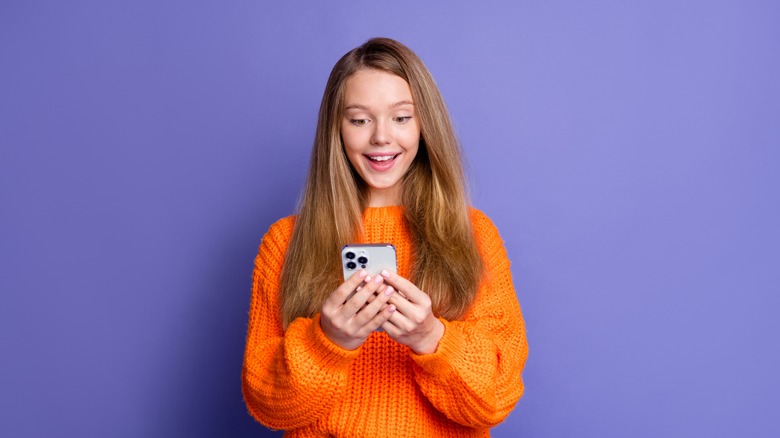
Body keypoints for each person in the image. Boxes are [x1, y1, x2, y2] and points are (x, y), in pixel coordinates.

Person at [242, 37, 528, 437]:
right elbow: (266, 402)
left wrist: (431, 337)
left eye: (401, 117)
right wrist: (327, 341)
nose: (381, 137)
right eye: (359, 120)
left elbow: (497, 396)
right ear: (335, 130)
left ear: (425, 124)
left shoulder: (474, 234)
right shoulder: (285, 241)